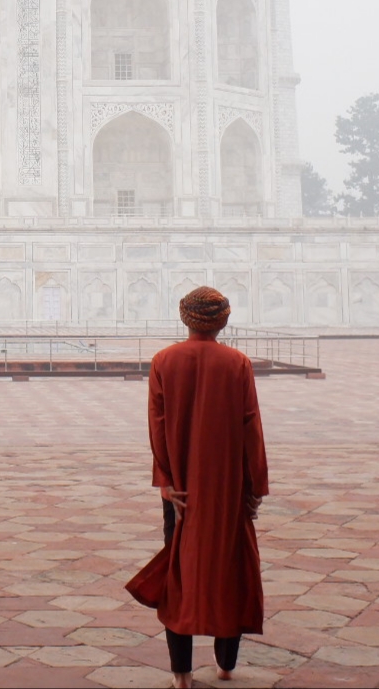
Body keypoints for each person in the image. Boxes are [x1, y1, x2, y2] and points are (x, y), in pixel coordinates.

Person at [146, 286, 269, 687]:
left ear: (185, 318)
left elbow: (158, 427)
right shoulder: (237, 363)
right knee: (227, 570)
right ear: (223, 320)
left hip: (180, 490)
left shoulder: (165, 361)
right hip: (228, 487)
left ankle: (181, 674)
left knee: (180, 572)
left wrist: (165, 482)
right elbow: (250, 425)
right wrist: (254, 488)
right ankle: (225, 665)